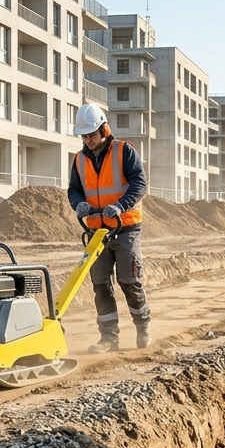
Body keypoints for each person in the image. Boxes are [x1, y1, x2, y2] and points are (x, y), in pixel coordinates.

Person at [67, 104, 152, 353]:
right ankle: (109, 338)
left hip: (125, 228)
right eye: (83, 136)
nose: (88, 140)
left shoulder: (124, 151)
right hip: (96, 232)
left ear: (104, 129)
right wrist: (79, 203)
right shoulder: (79, 159)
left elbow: (139, 183)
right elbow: (74, 189)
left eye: (91, 135)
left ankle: (142, 326)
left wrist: (121, 205)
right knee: (101, 285)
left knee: (129, 281)